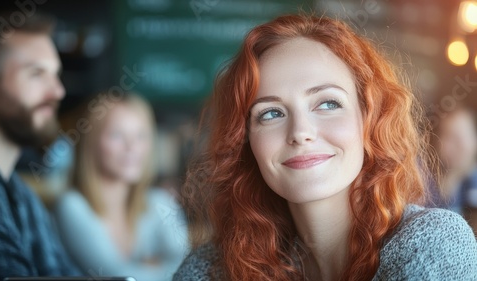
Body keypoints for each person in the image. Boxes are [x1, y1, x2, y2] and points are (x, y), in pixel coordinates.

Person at [173, 14, 477, 281]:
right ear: (246, 141)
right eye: (270, 113)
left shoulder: (431, 242)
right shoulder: (211, 269)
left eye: (328, 103)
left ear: (369, 119)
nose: (301, 132)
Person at [0, 10, 79, 281]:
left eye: (55, 75)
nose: (58, 91)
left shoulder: (21, 195)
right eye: (37, 74)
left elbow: (62, 274)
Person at [55, 93, 189, 281]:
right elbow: (116, 276)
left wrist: (144, 270)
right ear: (91, 143)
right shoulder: (72, 205)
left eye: (141, 135)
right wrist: (153, 266)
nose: (132, 147)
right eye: (117, 135)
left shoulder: (159, 201)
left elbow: (189, 268)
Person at [434, 106, 477, 233]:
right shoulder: (430, 182)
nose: (459, 145)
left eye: (460, 138)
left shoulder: (473, 183)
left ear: (474, 141)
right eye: (448, 137)